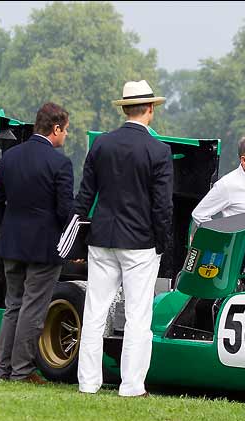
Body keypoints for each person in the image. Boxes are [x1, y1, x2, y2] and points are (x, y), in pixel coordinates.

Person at [74, 80, 173, 398]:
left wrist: (79, 238)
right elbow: (163, 205)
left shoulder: (101, 144)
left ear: (126, 108)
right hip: (140, 241)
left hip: (102, 237)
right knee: (137, 315)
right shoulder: (158, 150)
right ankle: (131, 385)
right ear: (150, 109)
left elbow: (84, 197)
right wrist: (163, 241)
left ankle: (88, 382)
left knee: (94, 312)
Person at [0, 102, 73, 384]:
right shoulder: (60, 163)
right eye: (66, 131)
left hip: (12, 243)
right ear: (56, 128)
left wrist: (6, 229)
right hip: (44, 246)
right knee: (33, 308)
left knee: (13, 305)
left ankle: (3, 369)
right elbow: (64, 211)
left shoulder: (10, 158)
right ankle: (22, 370)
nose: (66, 136)